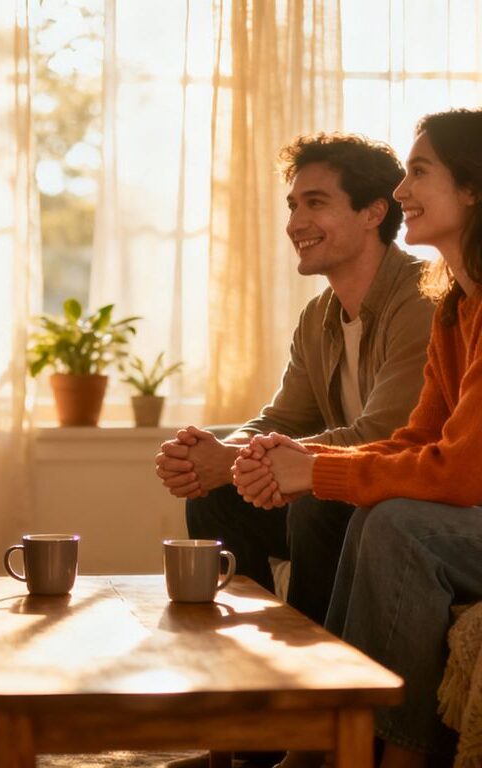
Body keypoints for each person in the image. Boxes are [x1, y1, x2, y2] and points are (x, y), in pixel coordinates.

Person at [233, 108, 482, 768]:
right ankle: (311, 740)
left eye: (419, 173)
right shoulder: (459, 306)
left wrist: (313, 470)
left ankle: (392, 758)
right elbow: (415, 437)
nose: (401, 192)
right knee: (369, 511)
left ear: (472, 189)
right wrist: (299, 458)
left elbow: (460, 474)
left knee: (399, 524)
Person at [155, 133, 435, 627]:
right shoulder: (317, 316)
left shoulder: (420, 300)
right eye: (292, 206)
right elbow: (280, 418)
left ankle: (312, 673)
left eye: (315, 203)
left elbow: (382, 437)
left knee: (316, 505)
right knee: (214, 495)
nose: (295, 223)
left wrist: (232, 460)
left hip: (399, 498)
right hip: (339, 492)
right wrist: (217, 454)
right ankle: (239, 653)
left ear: (373, 213)